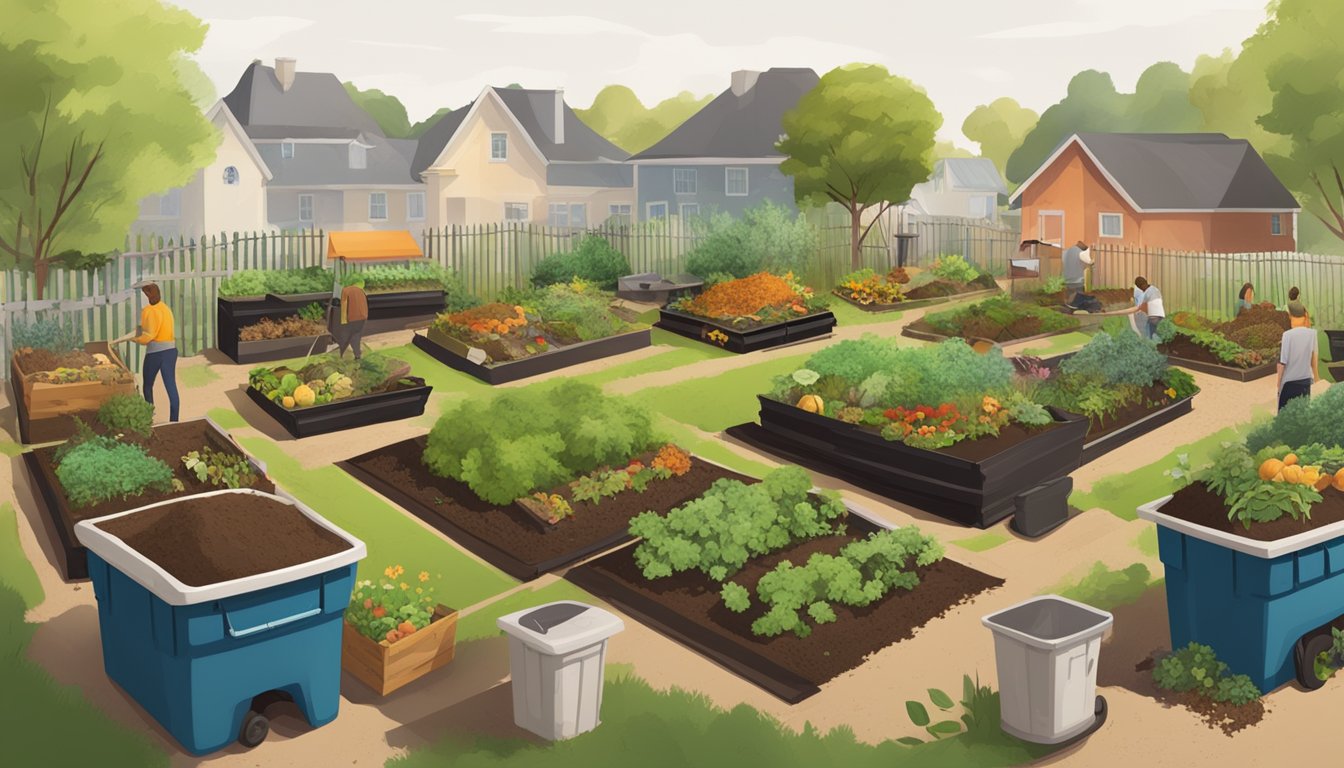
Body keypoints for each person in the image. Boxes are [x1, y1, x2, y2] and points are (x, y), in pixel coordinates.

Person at [115, 281, 179, 422]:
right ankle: (174, 421)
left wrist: (135, 339)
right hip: (171, 350)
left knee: (148, 386)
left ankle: (149, 418)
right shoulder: (165, 308)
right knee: (171, 386)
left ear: (148, 296)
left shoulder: (149, 311)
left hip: (156, 352)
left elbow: (148, 336)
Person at [1278, 301, 1320, 411]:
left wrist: (1279, 384)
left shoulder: (1287, 335)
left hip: (1289, 381)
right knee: (1302, 413)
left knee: (1285, 415)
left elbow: (1283, 363)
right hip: (1306, 380)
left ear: (1290, 315)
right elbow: (1314, 357)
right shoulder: (1312, 333)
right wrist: (1316, 377)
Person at [332, 274, 369, 359]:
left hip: (352, 318)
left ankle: (343, 355)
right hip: (362, 317)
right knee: (356, 335)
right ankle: (357, 354)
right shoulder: (361, 291)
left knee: (346, 336)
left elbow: (344, 306)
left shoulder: (346, 290)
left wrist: (343, 321)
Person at [1061, 240, 1093, 306]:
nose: (1086, 247)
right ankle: (1077, 309)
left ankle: (1069, 309)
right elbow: (1090, 262)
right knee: (1077, 299)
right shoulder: (1080, 253)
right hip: (1077, 281)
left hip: (1067, 280)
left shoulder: (1064, 252)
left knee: (1069, 298)